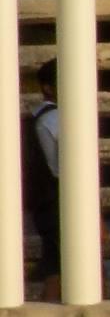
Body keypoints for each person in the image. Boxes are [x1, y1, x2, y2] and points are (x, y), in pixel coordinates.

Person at [24, 59, 61, 300]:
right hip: (58, 201)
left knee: (54, 262)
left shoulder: (34, 117)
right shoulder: (56, 118)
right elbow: (63, 168)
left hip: (42, 204)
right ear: (49, 87)